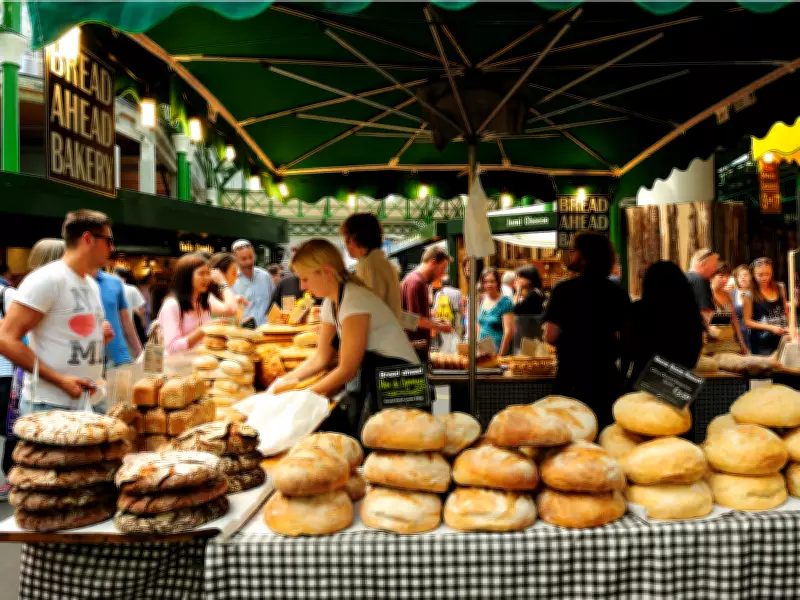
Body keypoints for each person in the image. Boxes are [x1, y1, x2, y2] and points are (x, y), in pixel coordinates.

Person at [271, 239, 420, 436]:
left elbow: (347, 370)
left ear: (326, 271)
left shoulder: (354, 300)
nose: (302, 286)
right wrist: (283, 382)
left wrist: (305, 395)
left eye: (305, 278)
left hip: (401, 383)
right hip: (377, 381)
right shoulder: (330, 304)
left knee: (392, 454)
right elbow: (320, 357)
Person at [0, 210, 113, 412]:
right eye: (108, 240)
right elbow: (5, 339)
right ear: (88, 239)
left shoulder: (91, 283)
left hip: (89, 401)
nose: (112, 248)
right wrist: (60, 381)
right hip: (50, 405)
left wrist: (98, 338)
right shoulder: (47, 279)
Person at [542, 232, 630, 429]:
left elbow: (551, 335)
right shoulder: (618, 293)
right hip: (607, 379)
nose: (570, 256)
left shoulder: (563, 290)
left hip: (572, 378)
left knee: (570, 437)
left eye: (574, 251)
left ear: (585, 256)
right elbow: (626, 337)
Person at [623, 261, 705, 389]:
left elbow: (628, 349)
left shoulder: (639, 310)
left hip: (642, 382)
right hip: (678, 386)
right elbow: (694, 353)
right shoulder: (689, 313)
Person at [157, 253, 240, 355]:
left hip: (200, 363)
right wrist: (203, 330)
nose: (206, 278)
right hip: (177, 368)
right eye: (201, 273)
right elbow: (172, 348)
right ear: (186, 276)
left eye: (208, 273)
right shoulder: (172, 306)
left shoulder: (203, 302)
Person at [341, 213, 402, 320]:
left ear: (352, 239)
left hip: (379, 334)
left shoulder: (369, 264)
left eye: (346, 239)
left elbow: (369, 311)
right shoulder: (379, 262)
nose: (345, 245)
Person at [401, 246, 453, 362]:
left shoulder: (419, 281)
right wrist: (440, 327)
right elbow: (416, 320)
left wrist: (435, 320)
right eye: (443, 268)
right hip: (414, 350)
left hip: (416, 348)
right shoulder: (415, 282)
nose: (443, 274)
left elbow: (416, 316)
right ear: (433, 262)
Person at [94, 265, 141, 367]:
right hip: (84, 358)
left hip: (119, 357)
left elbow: (126, 320)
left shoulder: (114, 282)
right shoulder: (69, 281)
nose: (111, 248)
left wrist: (138, 351)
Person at [743, 257, 789, 356]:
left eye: (768, 274)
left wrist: (790, 328)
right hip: (762, 341)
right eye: (760, 275)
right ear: (753, 275)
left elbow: (786, 312)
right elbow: (747, 321)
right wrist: (770, 327)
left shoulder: (780, 287)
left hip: (782, 337)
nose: (764, 278)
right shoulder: (749, 294)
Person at [231, 239, 274, 326]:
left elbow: (274, 302)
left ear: (254, 255)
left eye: (251, 257)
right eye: (243, 259)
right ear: (235, 259)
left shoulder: (265, 276)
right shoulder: (231, 280)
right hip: (243, 333)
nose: (249, 261)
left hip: (266, 330)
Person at [709, 261, 747, 354]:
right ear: (711, 277)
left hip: (730, 342)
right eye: (721, 276)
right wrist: (726, 318)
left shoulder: (728, 294)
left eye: (727, 276)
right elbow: (706, 321)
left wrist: (742, 343)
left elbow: (734, 320)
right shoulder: (706, 295)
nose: (725, 279)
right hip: (713, 345)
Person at [477, 267, 514, 356]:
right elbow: (479, 325)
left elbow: (508, 332)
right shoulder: (482, 299)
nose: (489, 284)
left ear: (498, 283)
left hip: (498, 352)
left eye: (492, 281)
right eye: (485, 282)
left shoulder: (506, 302)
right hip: (483, 353)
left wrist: (500, 356)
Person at [114, 267, 147, 347]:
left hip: (113, 328)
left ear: (115, 275)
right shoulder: (132, 289)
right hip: (128, 328)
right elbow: (141, 309)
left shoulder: (111, 289)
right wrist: (143, 321)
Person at [513, 265, 545, 344]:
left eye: (519, 277)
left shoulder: (533, 294)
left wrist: (518, 290)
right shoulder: (536, 292)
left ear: (529, 279)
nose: (517, 280)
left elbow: (514, 308)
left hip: (530, 335)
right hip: (532, 332)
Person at [686, 248, 719, 327]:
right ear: (703, 264)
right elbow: (707, 314)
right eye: (714, 266)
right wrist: (727, 321)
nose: (715, 270)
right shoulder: (699, 280)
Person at [733, 264, 752, 351]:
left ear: (751, 277)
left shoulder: (756, 293)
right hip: (737, 334)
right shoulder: (731, 294)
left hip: (752, 333)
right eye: (739, 276)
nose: (742, 278)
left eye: (745, 275)